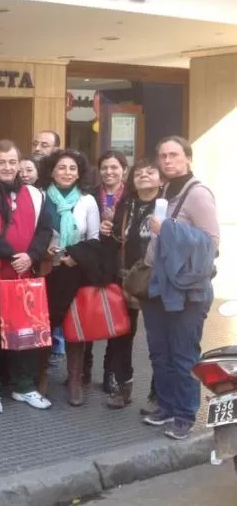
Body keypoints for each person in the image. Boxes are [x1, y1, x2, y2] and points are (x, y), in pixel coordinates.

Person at [0, 140, 53, 414]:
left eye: (12, 162)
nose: (7, 167)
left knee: (24, 336)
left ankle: (24, 386)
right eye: (1, 162)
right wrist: (16, 254)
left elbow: (45, 229)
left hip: (24, 276)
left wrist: (32, 256)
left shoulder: (36, 195)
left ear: (19, 164)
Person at [141, 136, 218, 440]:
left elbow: (211, 243)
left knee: (184, 354)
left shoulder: (198, 194)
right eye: (163, 155)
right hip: (160, 285)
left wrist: (169, 229)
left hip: (188, 290)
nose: (168, 160)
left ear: (188, 158)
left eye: (174, 155)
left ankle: (185, 414)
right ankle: (166, 406)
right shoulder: (166, 191)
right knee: (160, 352)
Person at [40, 150, 101, 406]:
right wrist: (44, 250)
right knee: (43, 325)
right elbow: (31, 231)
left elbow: (95, 239)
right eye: (61, 168)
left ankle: (75, 379)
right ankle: (40, 376)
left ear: (79, 173)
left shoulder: (87, 201)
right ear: (52, 171)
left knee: (75, 327)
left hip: (76, 272)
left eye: (72, 168)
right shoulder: (40, 197)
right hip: (46, 270)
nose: (66, 172)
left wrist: (75, 256)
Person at [99, 157, 160, 410]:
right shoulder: (128, 204)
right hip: (126, 278)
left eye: (150, 171)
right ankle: (122, 386)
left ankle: (158, 394)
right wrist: (107, 230)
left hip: (158, 279)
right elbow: (115, 240)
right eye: (139, 173)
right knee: (122, 335)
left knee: (158, 339)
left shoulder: (169, 205)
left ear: (160, 178)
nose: (144, 175)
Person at [89, 150, 129, 390]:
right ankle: (83, 368)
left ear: (123, 169)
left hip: (121, 265)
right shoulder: (91, 194)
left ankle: (111, 372)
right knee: (88, 314)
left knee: (120, 322)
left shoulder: (131, 197)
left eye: (114, 167)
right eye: (105, 167)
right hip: (94, 262)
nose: (109, 172)